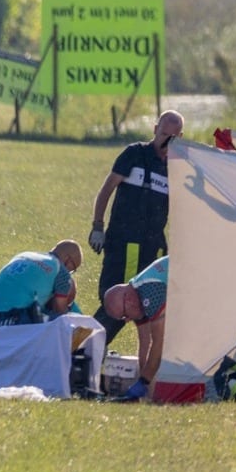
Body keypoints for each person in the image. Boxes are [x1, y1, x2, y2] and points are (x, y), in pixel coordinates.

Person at [91, 111, 182, 343]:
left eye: (173, 137)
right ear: (154, 129)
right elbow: (106, 189)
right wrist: (98, 226)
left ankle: (152, 370)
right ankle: (82, 352)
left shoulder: (178, 169)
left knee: (156, 311)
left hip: (154, 250)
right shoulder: (134, 154)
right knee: (116, 306)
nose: (166, 141)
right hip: (123, 243)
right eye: (163, 134)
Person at [101, 255, 169, 400]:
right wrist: (146, 391)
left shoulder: (150, 291)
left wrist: (144, 381)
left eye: (124, 315)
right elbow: (145, 343)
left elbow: (160, 342)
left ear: (128, 300)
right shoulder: (136, 297)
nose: (127, 321)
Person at [0, 241, 85, 327]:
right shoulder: (61, 272)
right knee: (61, 323)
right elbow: (60, 310)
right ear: (67, 259)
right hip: (9, 319)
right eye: (73, 268)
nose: (70, 273)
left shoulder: (25, 254)